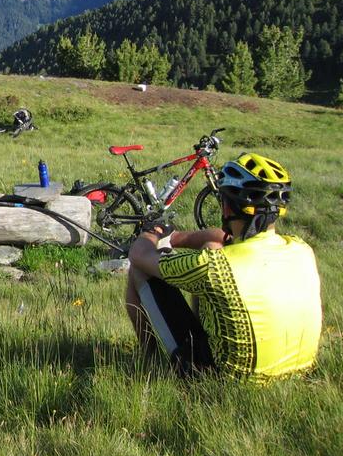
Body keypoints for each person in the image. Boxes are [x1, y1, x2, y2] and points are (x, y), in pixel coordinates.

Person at [125, 152, 322, 381]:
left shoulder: (213, 266)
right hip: (299, 372)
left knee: (139, 270)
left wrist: (153, 232)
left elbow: (139, 255)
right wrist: (176, 236)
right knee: (212, 245)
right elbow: (219, 237)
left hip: (227, 380)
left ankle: (150, 361)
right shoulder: (302, 249)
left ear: (227, 208)